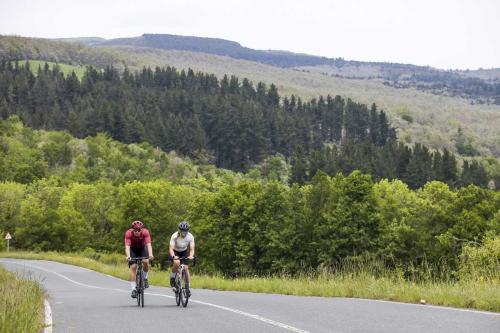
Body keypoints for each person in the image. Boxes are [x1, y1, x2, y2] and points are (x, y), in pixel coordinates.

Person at [124, 220, 154, 298]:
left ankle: (145, 278)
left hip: (142, 248)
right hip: (133, 249)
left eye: (139, 230)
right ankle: (133, 289)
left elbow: (149, 245)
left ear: (142, 230)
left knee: (145, 261)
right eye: (135, 230)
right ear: (132, 230)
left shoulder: (145, 232)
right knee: (133, 267)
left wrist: (150, 254)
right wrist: (128, 256)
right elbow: (127, 247)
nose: (137, 232)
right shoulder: (128, 233)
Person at [169, 221, 195, 296]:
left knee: (186, 268)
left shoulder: (190, 236)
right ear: (179, 230)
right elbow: (171, 248)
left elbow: (192, 248)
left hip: (184, 251)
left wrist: (191, 256)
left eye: (186, 231)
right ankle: (172, 278)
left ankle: (187, 288)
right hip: (175, 251)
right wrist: (174, 256)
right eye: (182, 231)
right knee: (177, 263)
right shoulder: (174, 236)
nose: (184, 233)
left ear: (188, 231)